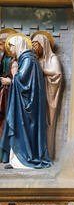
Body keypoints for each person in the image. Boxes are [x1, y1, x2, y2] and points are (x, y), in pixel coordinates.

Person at [0, 34, 52, 169]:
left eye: (12, 46)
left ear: (18, 45)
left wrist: (12, 77)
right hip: (23, 102)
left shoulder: (28, 60)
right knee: (18, 129)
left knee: (22, 130)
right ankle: (15, 159)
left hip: (26, 105)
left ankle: (24, 160)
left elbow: (23, 82)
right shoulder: (25, 59)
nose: (10, 50)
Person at [31, 31, 62, 160]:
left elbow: (57, 73)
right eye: (32, 45)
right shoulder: (36, 59)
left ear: (43, 44)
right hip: (36, 96)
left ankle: (46, 153)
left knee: (46, 123)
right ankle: (34, 153)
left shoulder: (52, 58)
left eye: (36, 45)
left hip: (48, 95)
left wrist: (41, 70)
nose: (33, 47)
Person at [0, 28, 18, 162]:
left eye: (2, 44)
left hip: (10, 93)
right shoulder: (2, 57)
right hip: (2, 90)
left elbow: (20, 79)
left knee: (7, 120)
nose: (1, 47)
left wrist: (10, 82)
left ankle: (5, 154)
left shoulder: (15, 58)